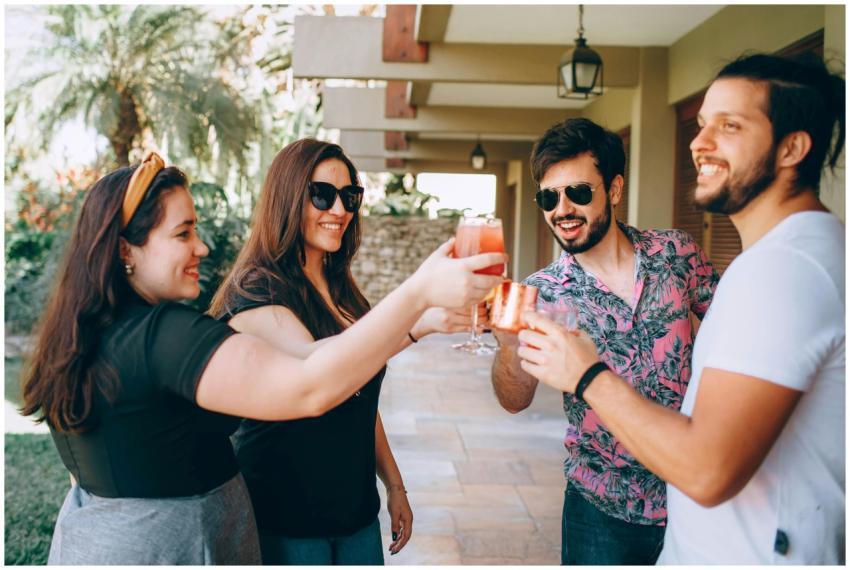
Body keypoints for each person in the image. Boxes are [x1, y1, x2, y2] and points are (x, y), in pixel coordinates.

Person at [21, 152, 505, 565]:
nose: (202, 247)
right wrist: (418, 294)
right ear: (126, 249)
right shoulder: (167, 336)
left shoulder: (90, 334)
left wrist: (419, 324)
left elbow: (348, 382)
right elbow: (311, 382)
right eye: (184, 233)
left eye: (350, 196)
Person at [517, 53, 845, 564]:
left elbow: (707, 469)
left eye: (729, 125)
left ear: (792, 148)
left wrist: (586, 374)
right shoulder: (774, 263)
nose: (698, 143)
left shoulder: (783, 271)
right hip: (607, 506)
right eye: (701, 124)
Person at [208, 139, 482, 565]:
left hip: (354, 517)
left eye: (350, 196)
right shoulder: (255, 291)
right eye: (322, 195)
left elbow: (358, 395)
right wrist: (417, 300)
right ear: (287, 198)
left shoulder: (343, 292)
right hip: (287, 521)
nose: (339, 210)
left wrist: (394, 485)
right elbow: (321, 370)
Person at [491, 118, 718, 565]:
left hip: (693, 490)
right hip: (599, 507)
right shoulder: (543, 291)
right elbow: (514, 399)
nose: (562, 209)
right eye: (548, 197)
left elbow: (733, 330)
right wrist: (506, 346)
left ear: (613, 191)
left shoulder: (676, 254)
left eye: (578, 192)